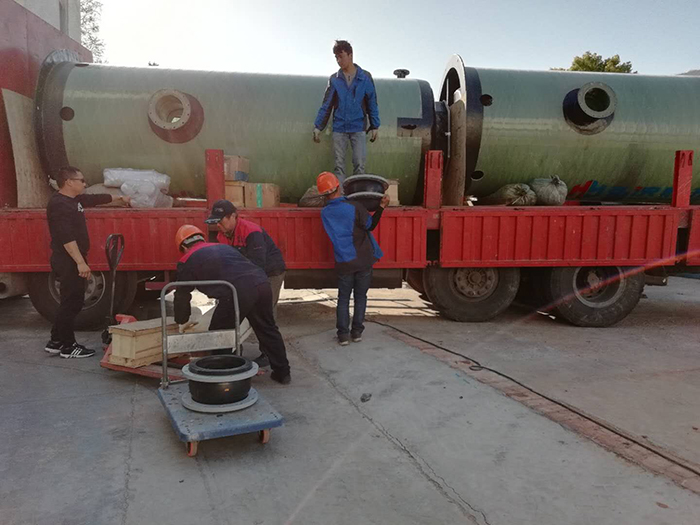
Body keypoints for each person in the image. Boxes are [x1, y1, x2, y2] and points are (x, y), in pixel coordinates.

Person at [172, 225, 291, 384]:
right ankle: (283, 372)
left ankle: (224, 377)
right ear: (201, 239)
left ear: (183, 247)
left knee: (220, 334)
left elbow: (182, 293)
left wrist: (180, 319)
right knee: (267, 328)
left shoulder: (186, 259)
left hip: (236, 291)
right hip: (262, 283)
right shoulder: (223, 247)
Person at [45, 166, 131, 358]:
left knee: (70, 301)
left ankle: (56, 341)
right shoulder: (59, 205)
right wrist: (80, 262)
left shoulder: (73, 200)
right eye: (81, 180)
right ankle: (68, 346)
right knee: (72, 303)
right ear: (69, 182)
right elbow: (66, 237)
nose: (84, 184)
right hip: (67, 259)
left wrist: (119, 199)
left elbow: (94, 199)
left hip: (72, 259)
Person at [317, 172, 389, 345]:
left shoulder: (325, 213)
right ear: (338, 187)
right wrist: (381, 207)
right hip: (363, 260)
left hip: (344, 261)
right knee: (360, 297)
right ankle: (356, 333)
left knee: (343, 299)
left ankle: (343, 335)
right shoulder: (354, 206)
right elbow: (370, 226)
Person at [313, 40, 380, 185]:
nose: (339, 60)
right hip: (339, 128)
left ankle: (357, 195)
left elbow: (372, 101)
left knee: (359, 164)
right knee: (339, 166)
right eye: (336, 57)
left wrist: (375, 125)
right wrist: (318, 127)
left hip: (358, 127)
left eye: (341, 56)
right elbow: (326, 104)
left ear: (350, 55)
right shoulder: (334, 79)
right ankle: (341, 196)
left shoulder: (365, 77)